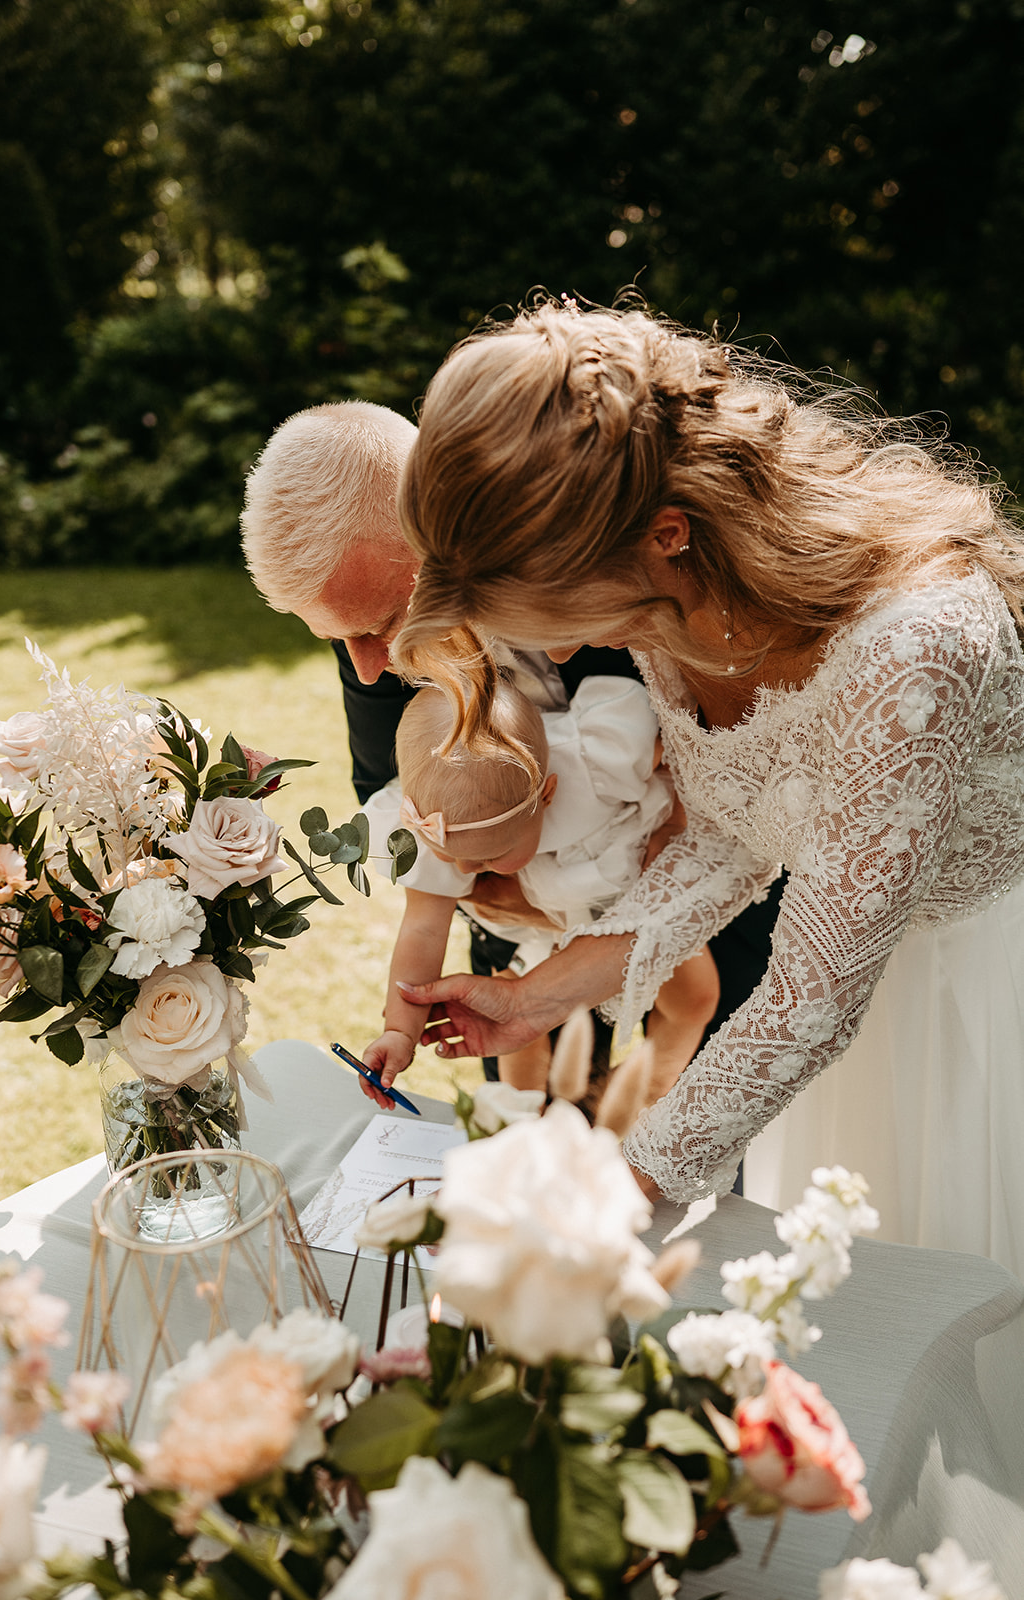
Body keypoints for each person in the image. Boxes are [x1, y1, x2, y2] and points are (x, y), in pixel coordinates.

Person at [387, 301, 1024, 1278]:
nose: (567, 653)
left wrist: (609, 1191)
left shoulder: (915, 647)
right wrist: (534, 997)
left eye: (562, 618)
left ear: (666, 534)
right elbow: (734, 832)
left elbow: (810, 997)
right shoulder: (672, 606)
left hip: (972, 1006)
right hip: (826, 1020)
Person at [240, 400, 778, 1089]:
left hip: (711, 898)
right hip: (513, 924)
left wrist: (656, 851)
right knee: (526, 1118)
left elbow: (730, 753)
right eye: (338, 639)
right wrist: (520, 885)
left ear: (439, 534)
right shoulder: (364, 608)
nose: (368, 667)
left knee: (709, 1086)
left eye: (380, 625)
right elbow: (393, 792)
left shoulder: (593, 548)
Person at [360, 677, 718, 1100]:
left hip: (639, 898)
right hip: (546, 921)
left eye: (491, 856)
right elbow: (422, 928)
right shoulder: (432, 820)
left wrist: (674, 823)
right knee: (511, 1026)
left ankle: (643, 1106)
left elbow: (682, 755)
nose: (466, 870)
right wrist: (400, 1031)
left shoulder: (596, 758)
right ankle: (526, 1118)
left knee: (695, 999)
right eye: (450, 853)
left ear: (547, 794)